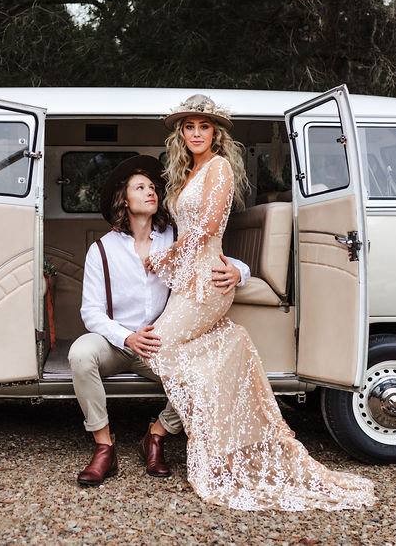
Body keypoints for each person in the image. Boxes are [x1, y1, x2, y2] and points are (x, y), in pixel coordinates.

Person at [144, 94, 376, 511]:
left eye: (204, 127)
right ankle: (206, 431)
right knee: (174, 350)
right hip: (187, 281)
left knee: (160, 345)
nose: (196, 133)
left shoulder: (218, 168)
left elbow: (207, 231)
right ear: (182, 132)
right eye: (190, 126)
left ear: (216, 133)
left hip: (209, 281)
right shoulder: (184, 172)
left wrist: (164, 257)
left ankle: (172, 432)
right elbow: (187, 230)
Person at [69, 155, 250, 487]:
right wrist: (126, 337)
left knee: (201, 372)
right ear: (124, 200)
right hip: (117, 342)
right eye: (141, 188)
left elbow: (209, 252)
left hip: (159, 344)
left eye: (153, 187)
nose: (151, 192)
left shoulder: (171, 239)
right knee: (80, 354)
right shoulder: (102, 249)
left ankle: (155, 437)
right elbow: (90, 312)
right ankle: (104, 448)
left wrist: (241, 272)